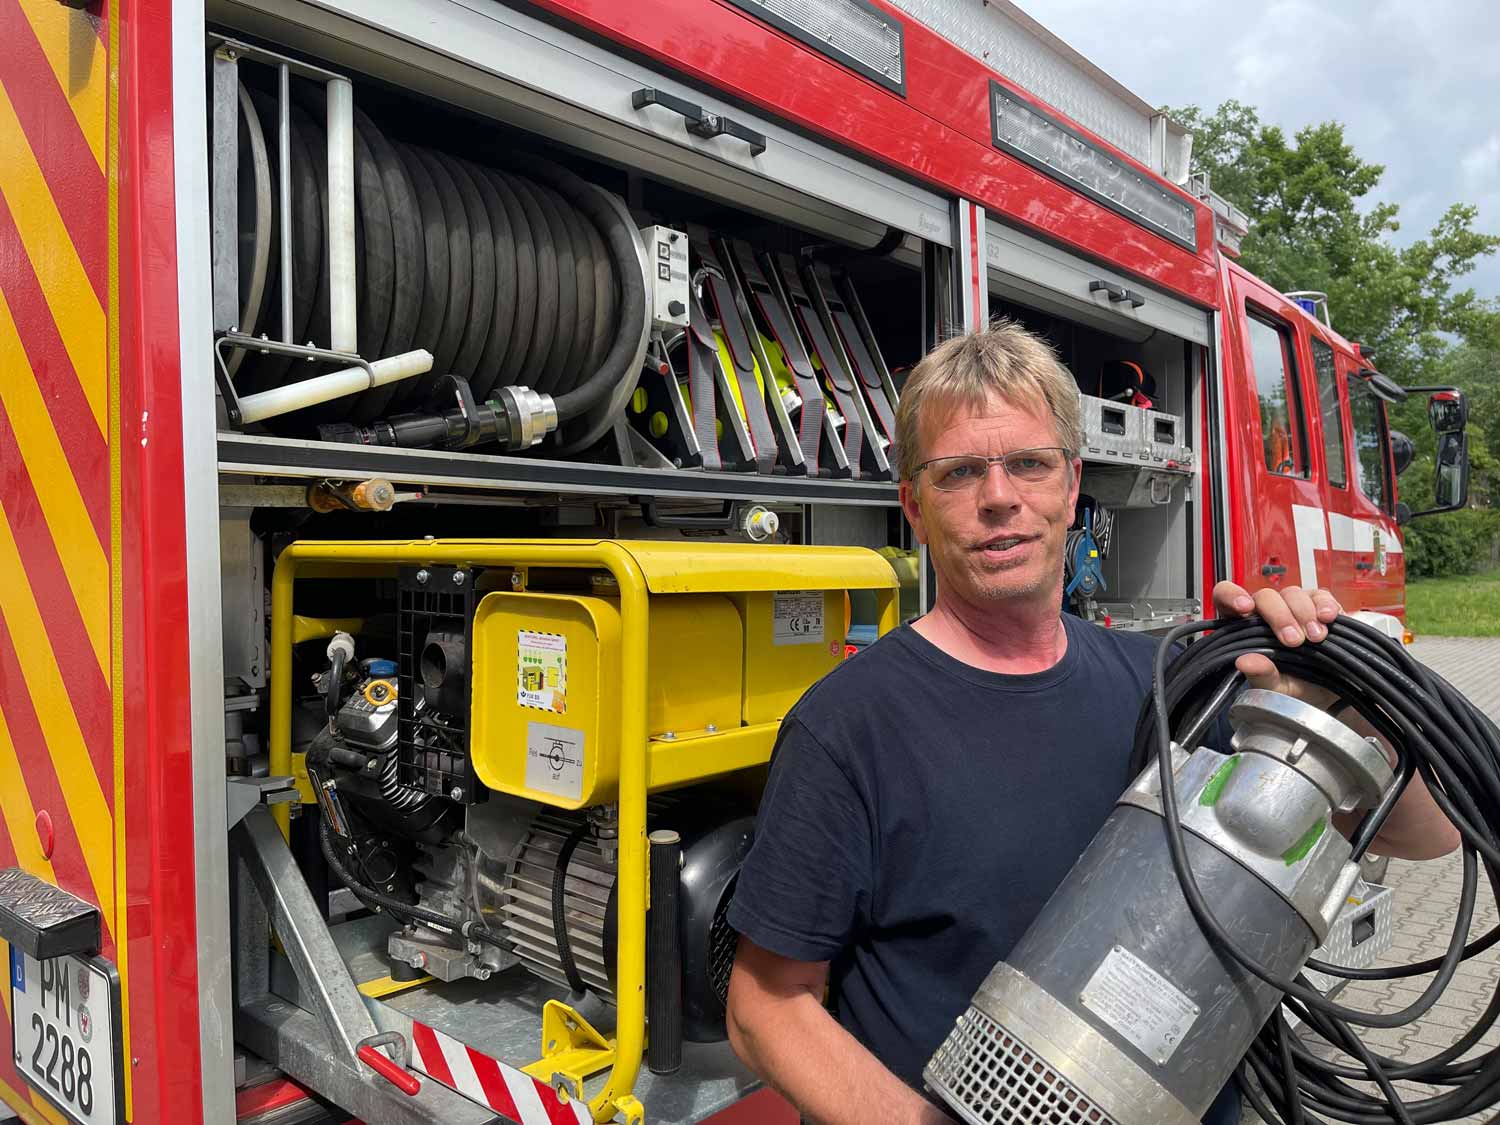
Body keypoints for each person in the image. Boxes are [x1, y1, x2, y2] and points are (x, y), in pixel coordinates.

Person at [724, 324, 1459, 1125]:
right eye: (959, 471)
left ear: (1072, 486)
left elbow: (1423, 837)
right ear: (914, 505)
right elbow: (766, 1006)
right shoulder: (849, 727)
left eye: (1030, 463)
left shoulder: (1171, 686)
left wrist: (1335, 697)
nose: (999, 496)